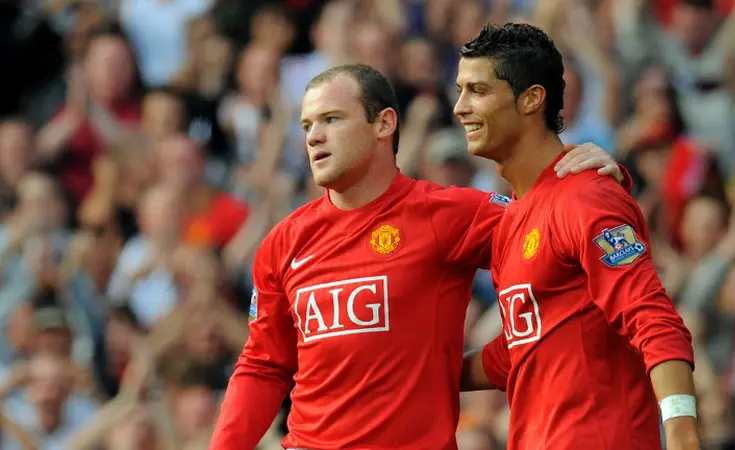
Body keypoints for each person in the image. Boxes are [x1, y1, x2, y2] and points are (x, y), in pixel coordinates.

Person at [209, 63, 626, 450]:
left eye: (331, 119)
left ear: (384, 124)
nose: (314, 136)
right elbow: (263, 365)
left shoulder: (446, 214)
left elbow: (559, 228)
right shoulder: (283, 243)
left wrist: (600, 180)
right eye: (307, 125)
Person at [456, 24, 699, 450]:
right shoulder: (513, 217)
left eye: (477, 90)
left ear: (531, 98)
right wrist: (426, 373)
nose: (460, 107)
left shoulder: (586, 196)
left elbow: (654, 321)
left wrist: (682, 436)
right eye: (460, 90)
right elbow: (524, 346)